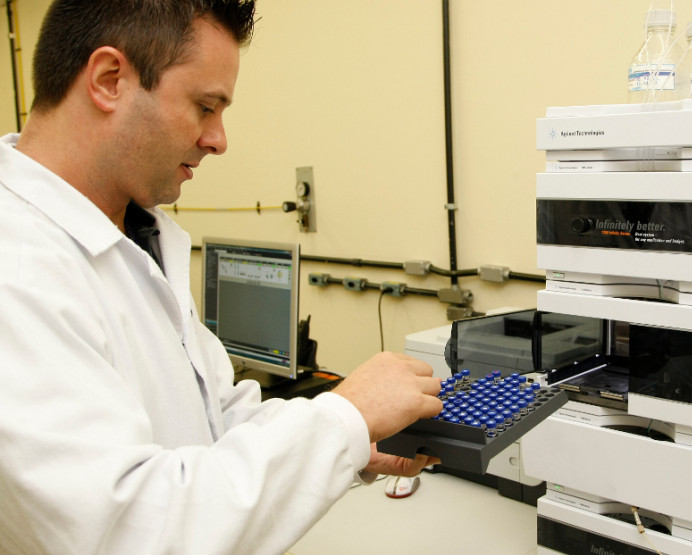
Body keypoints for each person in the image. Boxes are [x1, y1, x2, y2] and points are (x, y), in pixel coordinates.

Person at [0, 1, 443, 553]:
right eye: (205, 106)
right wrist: (344, 417)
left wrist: (352, 443)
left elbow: (216, 417)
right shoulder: (18, 273)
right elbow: (131, 531)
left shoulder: (137, 234)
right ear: (110, 80)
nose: (218, 139)